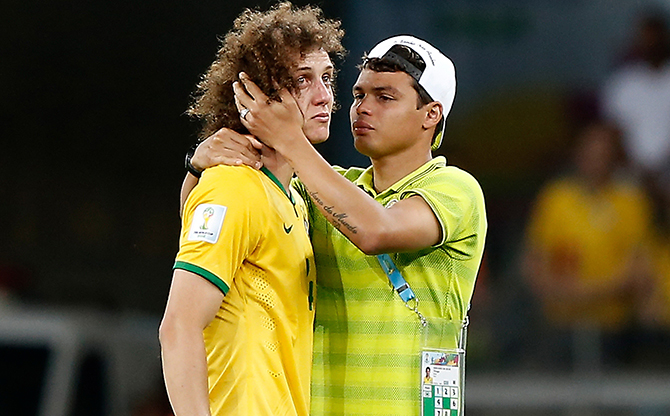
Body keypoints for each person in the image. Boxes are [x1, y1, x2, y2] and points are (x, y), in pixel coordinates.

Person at [187, 35, 487, 416]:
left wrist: (289, 138)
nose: (362, 108)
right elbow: (211, 228)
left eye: (385, 97)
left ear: (431, 114)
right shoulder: (322, 190)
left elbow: (375, 231)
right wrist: (198, 168)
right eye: (359, 95)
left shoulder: (456, 190)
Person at [158, 3, 344, 416]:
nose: (325, 95)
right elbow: (177, 327)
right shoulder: (233, 186)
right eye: (303, 80)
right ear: (256, 94)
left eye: (328, 78)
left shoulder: (294, 195)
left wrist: (192, 173)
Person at [521, 121, 653, 370]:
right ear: (577, 154)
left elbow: (639, 270)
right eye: (589, 153)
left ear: (615, 157)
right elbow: (533, 262)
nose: (595, 161)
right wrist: (559, 292)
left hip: (615, 328)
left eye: (603, 154)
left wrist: (583, 294)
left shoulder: (630, 201)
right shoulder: (556, 198)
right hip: (559, 326)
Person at [601, 11, 670, 179]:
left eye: (655, 38)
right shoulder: (622, 83)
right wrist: (635, 167)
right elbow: (613, 132)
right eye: (646, 38)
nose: (651, 43)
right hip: (631, 171)